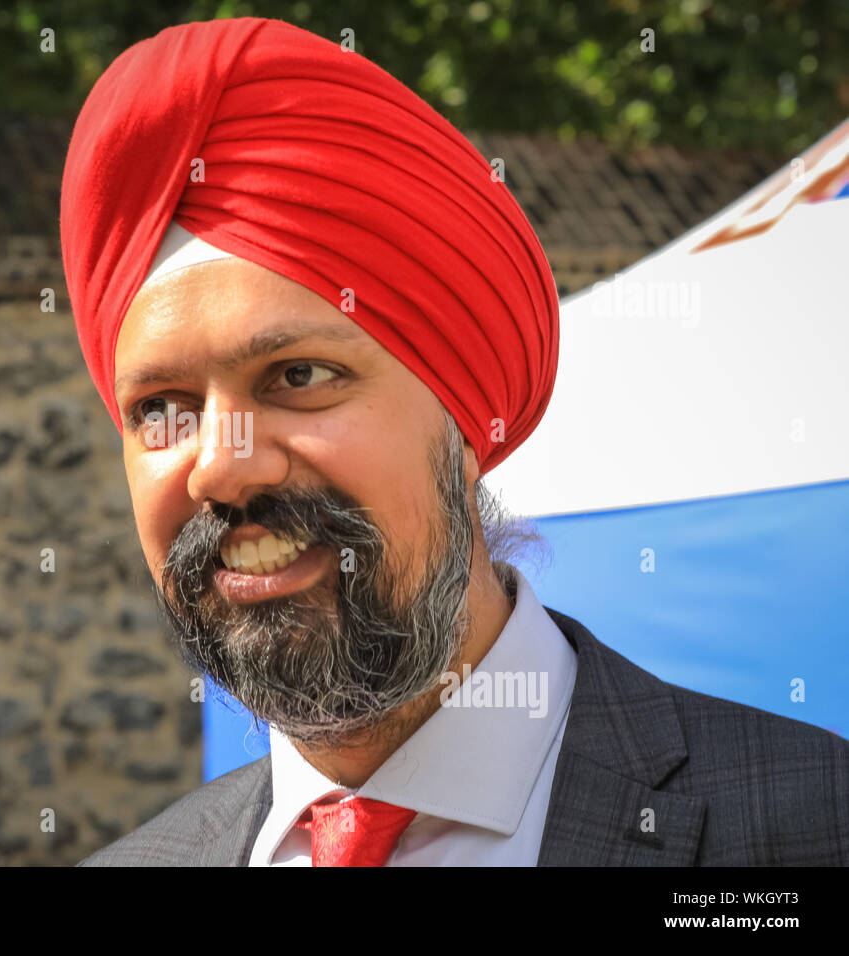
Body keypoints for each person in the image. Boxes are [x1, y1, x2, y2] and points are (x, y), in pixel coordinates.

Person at [58, 16, 849, 866]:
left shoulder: (808, 826)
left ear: (467, 418)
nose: (220, 464)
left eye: (298, 377)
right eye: (160, 410)